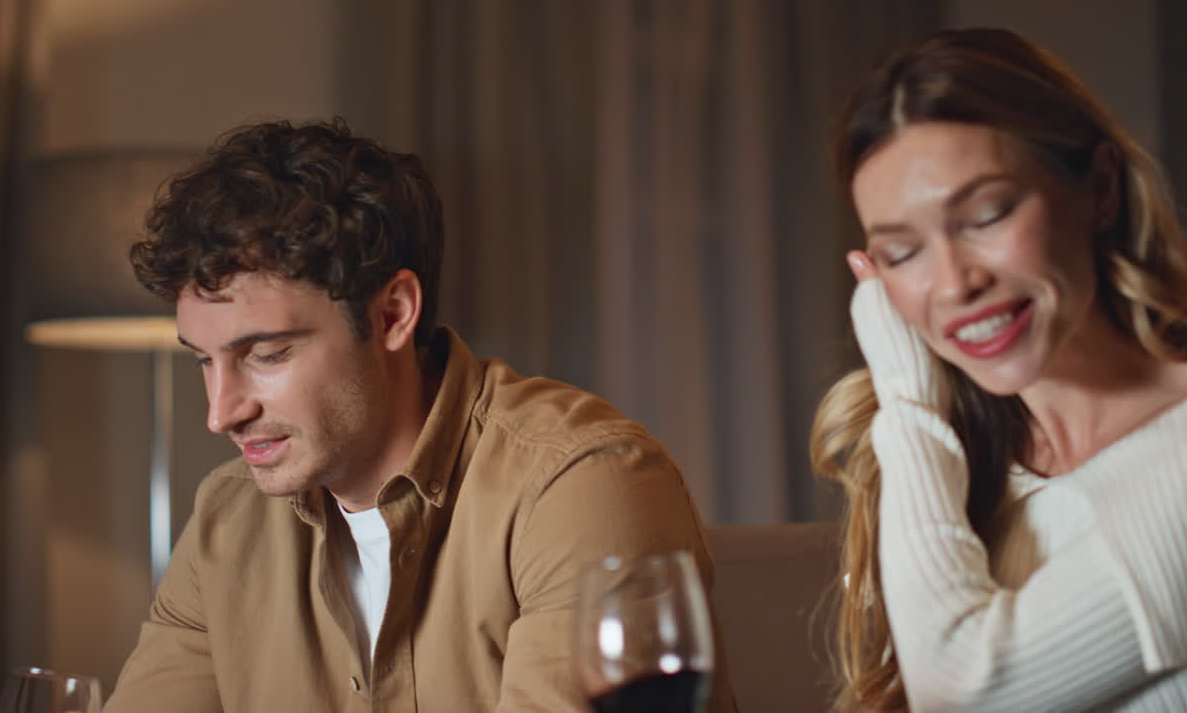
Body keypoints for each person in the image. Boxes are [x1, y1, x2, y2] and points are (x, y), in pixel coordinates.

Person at [104, 119, 736, 712]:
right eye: (202, 362)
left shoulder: (578, 483)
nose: (221, 412)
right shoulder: (225, 518)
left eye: (265, 354)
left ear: (392, 314)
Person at [810, 28, 1187, 711]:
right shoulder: (972, 458)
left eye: (987, 214)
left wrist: (906, 397)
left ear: (1098, 191)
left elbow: (966, 691)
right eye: (902, 251)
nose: (953, 283)